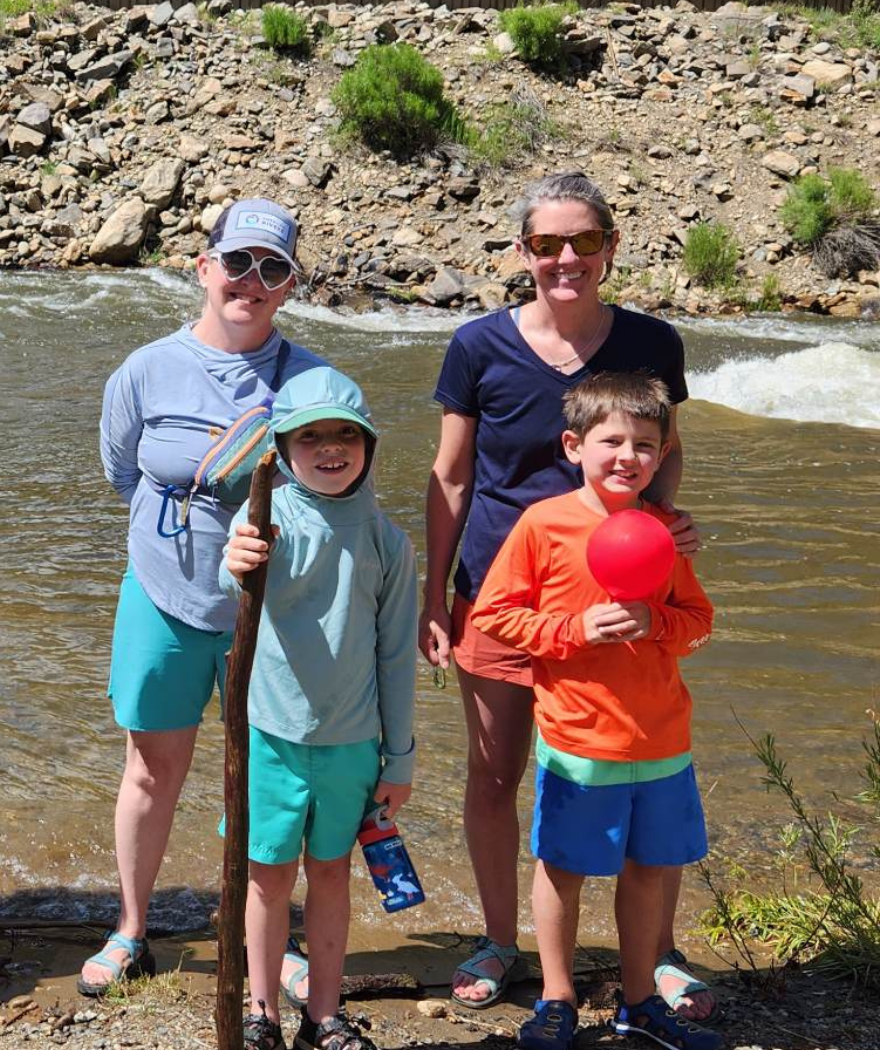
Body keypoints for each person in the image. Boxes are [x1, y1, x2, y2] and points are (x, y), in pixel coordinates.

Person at [420, 172, 712, 1017]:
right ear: (523, 252)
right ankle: (502, 941)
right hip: (504, 591)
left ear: (612, 248)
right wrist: (436, 597)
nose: (567, 259)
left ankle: (653, 954)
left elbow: (669, 449)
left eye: (585, 242)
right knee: (496, 774)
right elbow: (450, 476)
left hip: (624, 594)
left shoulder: (653, 342)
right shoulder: (478, 345)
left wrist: (664, 520)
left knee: (632, 762)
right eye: (547, 244)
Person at [85, 199, 331, 998]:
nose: (250, 283)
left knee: (268, 772)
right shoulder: (145, 369)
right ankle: (131, 929)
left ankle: (268, 934)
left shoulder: (313, 383)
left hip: (272, 615)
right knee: (152, 768)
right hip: (160, 597)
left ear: (289, 286)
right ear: (204, 267)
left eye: (272, 270)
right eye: (238, 263)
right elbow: (122, 470)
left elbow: (339, 498)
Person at [470, 373, 719, 1050]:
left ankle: (640, 1001)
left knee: (649, 872)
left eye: (645, 444)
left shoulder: (664, 533)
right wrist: (573, 630)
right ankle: (556, 997)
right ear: (574, 445)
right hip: (579, 741)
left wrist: (656, 622)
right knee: (562, 869)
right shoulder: (544, 524)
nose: (627, 456)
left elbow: (699, 624)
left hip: (663, 741)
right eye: (612, 440)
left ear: (662, 454)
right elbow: (495, 615)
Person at [219, 367, 417, 1050]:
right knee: (268, 878)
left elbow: (396, 658)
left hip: (354, 743)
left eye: (345, 435)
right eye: (312, 437)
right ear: (282, 446)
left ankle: (324, 1013)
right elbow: (237, 572)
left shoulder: (388, 541)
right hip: (270, 738)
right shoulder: (266, 519)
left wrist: (401, 757)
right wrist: (236, 557)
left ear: (368, 444)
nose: (330, 448)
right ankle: (262, 1010)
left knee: (331, 873)